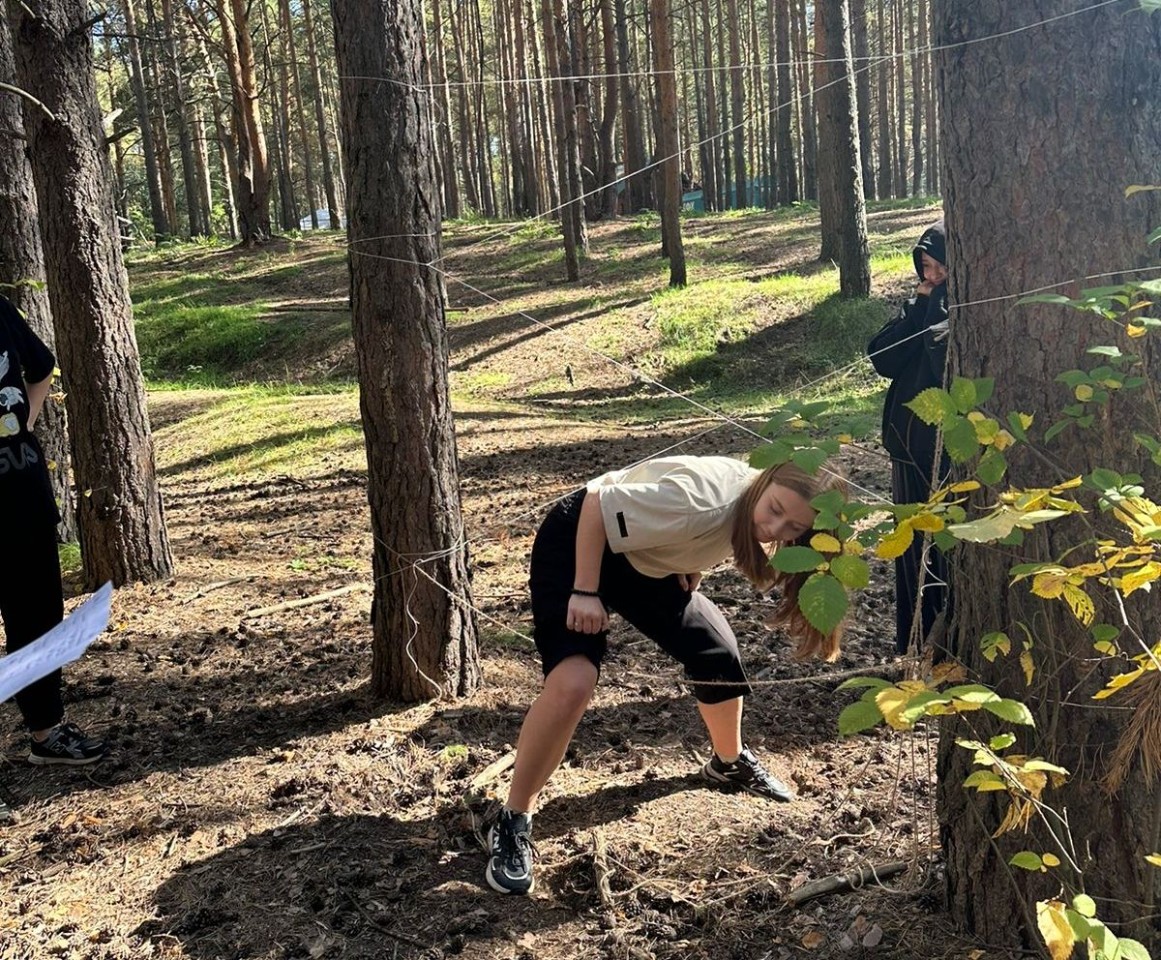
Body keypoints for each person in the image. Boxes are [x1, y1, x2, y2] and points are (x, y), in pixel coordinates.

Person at [485, 456, 847, 895]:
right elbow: (598, 502)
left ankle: (727, 764)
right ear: (764, 481)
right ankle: (512, 817)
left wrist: (690, 558)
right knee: (574, 683)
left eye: (793, 528)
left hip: (646, 558)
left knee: (716, 653)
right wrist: (584, 589)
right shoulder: (700, 502)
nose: (775, 530)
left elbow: (702, 530)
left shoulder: (746, 513)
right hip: (579, 539)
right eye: (774, 510)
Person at [0, 293, 106, 767]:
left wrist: (22, 425)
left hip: (22, 492)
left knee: (36, 614)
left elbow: (40, 369)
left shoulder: (0, 309)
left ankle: (46, 733)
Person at [867, 220, 950, 655]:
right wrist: (921, 307)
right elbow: (882, 356)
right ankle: (913, 645)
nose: (930, 277)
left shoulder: (957, 312)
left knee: (947, 553)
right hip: (906, 450)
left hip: (947, 454)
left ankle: (948, 644)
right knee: (912, 553)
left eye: (939, 268)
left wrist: (936, 307)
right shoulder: (917, 305)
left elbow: (942, 360)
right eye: (924, 267)